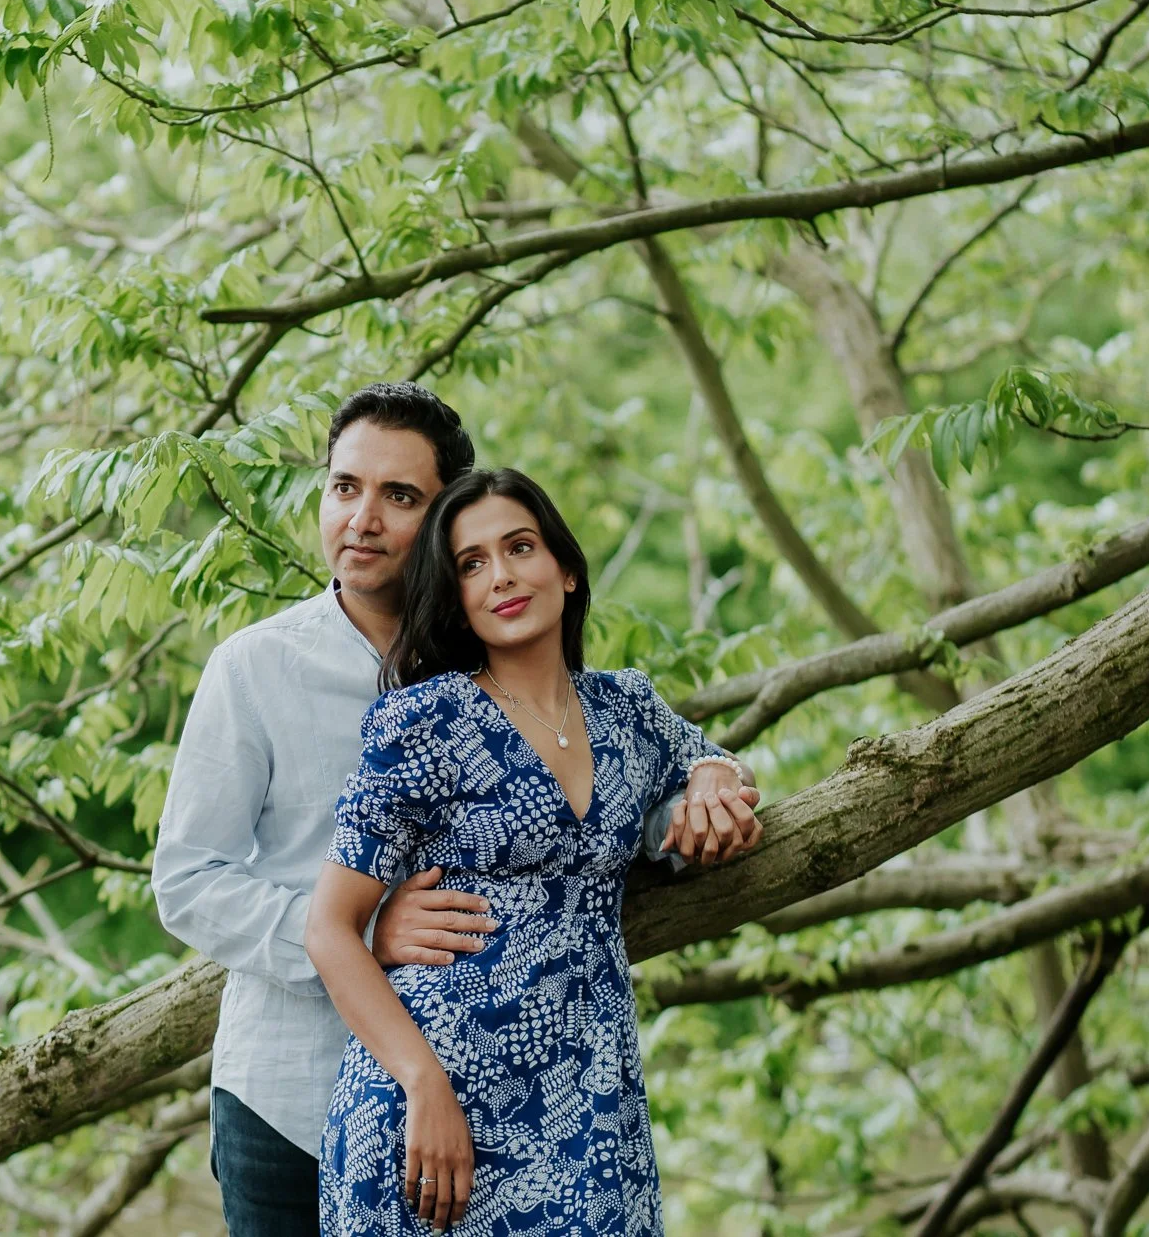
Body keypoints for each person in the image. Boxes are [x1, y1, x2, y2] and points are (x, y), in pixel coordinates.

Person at [153, 387, 760, 1237]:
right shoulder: (255, 668)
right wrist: (370, 932)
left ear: (444, 518)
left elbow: (630, 786)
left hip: (514, 1097)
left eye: (398, 496)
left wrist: (711, 776)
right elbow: (187, 880)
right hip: (291, 1089)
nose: (361, 518)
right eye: (344, 487)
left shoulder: (511, 664)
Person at [305, 467, 763, 1236]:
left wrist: (718, 773)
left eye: (519, 547)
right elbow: (329, 929)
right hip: (432, 1117)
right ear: (453, 597)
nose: (502, 576)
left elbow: (712, 762)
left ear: (567, 567)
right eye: (471, 564)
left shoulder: (627, 708)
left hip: (589, 1105)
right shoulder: (424, 722)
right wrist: (424, 1086)